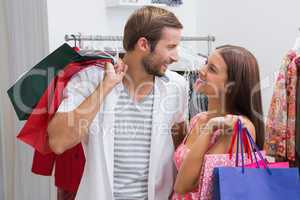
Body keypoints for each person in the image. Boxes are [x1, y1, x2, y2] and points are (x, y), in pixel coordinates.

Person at [47, 6, 188, 200]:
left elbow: (180, 141)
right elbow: (58, 142)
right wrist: (105, 88)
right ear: (144, 44)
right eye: (170, 47)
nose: (176, 57)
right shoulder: (89, 80)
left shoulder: (176, 86)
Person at [172, 45, 265, 199]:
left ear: (231, 86)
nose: (201, 70)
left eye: (212, 69)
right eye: (206, 63)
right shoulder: (198, 119)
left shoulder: (239, 127)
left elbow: (184, 185)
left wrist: (210, 127)